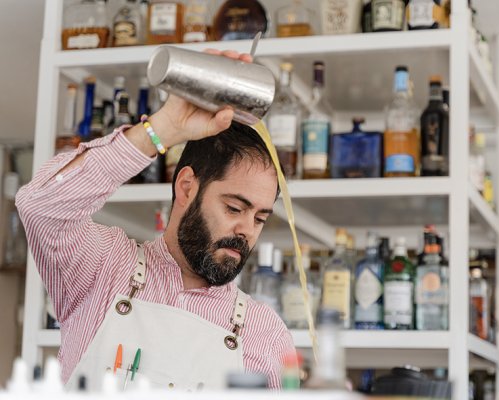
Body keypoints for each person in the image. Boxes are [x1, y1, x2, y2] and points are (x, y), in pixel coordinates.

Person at [16, 49, 295, 391]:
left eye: (260, 218)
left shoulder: (265, 334)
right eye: (235, 209)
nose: (246, 231)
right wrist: (164, 127)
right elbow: (41, 205)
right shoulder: (102, 268)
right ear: (187, 187)